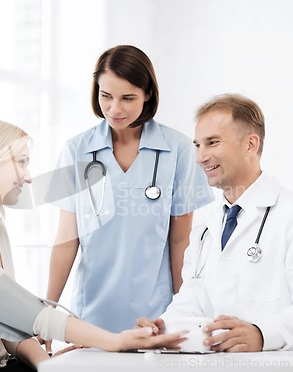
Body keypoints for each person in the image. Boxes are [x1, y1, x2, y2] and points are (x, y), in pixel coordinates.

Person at [0, 119, 187, 372]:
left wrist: (47, 362)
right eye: (20, 162)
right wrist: (115, 340)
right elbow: (25, 312)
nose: (28, 177)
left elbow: (5, 324)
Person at [135, 94, 293, 351]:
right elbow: (191, 300)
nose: (201, 157)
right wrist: (163, 328)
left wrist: (261, 334)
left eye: (212, 143)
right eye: (197, 145)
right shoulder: (204, 229)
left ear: (250, 145)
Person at [45, 45, 213, 339]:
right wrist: (46, 313)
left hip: (154, 318)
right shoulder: (76, 150)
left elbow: (179, 241)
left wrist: (181, 314)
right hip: (91, 320)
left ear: (148, 94)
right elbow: (66, 239)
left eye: (128, 98)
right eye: (106, 96)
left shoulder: (179, 150)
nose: (115, 109)